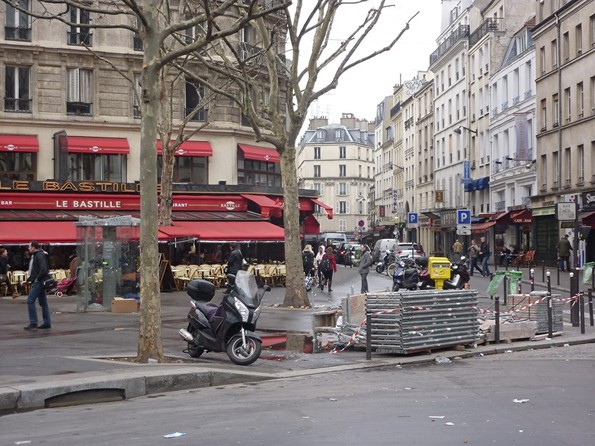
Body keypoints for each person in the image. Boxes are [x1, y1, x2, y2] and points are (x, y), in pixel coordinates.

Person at [24, 241, 52, 330]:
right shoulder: (37, 255)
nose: (28, 248)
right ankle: (47, 322)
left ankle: (33, 322)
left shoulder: (39, 255)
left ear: (33, 247)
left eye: (29, 246)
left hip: (39, 282)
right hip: (39, 281)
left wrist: (37, 279)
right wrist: (28, 280)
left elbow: (43, 269)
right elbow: (35, 270)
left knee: (30, 300)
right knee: (43, 302)